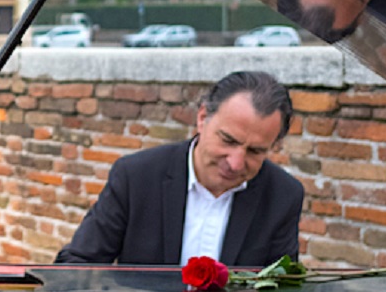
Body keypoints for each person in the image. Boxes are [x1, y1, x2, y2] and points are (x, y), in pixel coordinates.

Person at [55, 71, 304, 267]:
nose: (236, 163)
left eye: (256, 151)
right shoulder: (136, 177)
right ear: (203, 117)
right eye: (228, 140)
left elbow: (283, 291)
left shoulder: (284, 195)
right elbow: (77, 264)